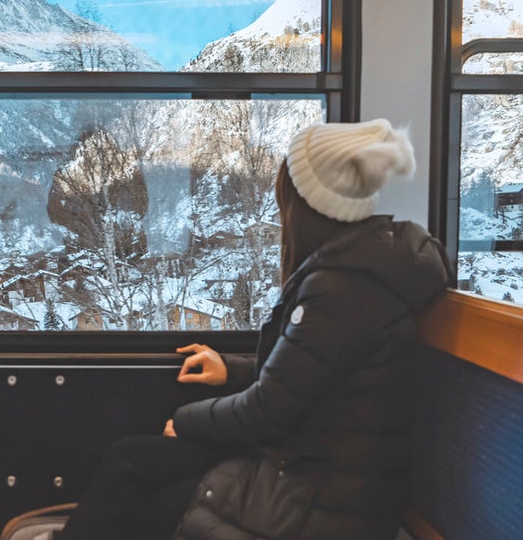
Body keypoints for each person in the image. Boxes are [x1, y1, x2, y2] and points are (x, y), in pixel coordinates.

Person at [57, 119, 453, 540]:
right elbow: (314, 371)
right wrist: (232, 368)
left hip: (315, 494)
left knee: (137, 478)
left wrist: (184, 419)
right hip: (312, 463)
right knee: (132, 464)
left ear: (306, 204)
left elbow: (266, 412)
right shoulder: (360, 270)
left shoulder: (342, 289)